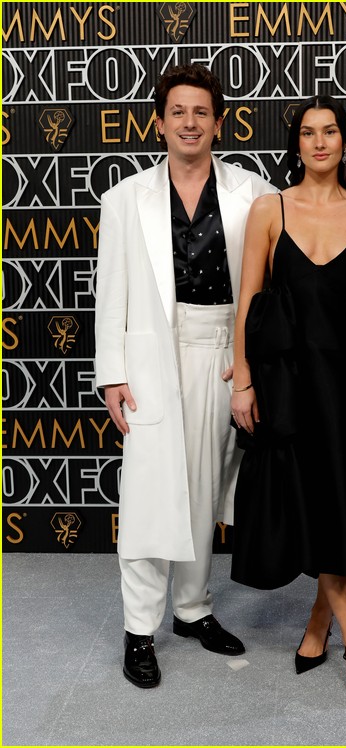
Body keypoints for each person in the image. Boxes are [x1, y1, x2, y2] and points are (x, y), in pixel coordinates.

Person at [230, 95, 346, 705]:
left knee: (339, 499)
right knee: (309, 498)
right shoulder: (268, 208)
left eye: (329, 131)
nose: (319, 142)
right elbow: (249, 302)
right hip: (288, 385)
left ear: (344, 141)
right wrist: (242, 378)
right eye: (308, 132)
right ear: (297, 143)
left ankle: (323, 624)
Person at [94, 63, 277, 688]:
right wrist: (112, 375)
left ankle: (193, 609)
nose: (189, 123)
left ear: (219, 123)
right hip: (153, 358)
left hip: (225, 351)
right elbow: (109, 294)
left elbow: (268, 287)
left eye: (202, 112)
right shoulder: (123, 198)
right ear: (160, 122)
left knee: (204, 488)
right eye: (178, 112)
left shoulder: (253, 192)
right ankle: (138, 630)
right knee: (148, 494)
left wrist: (254, 361)